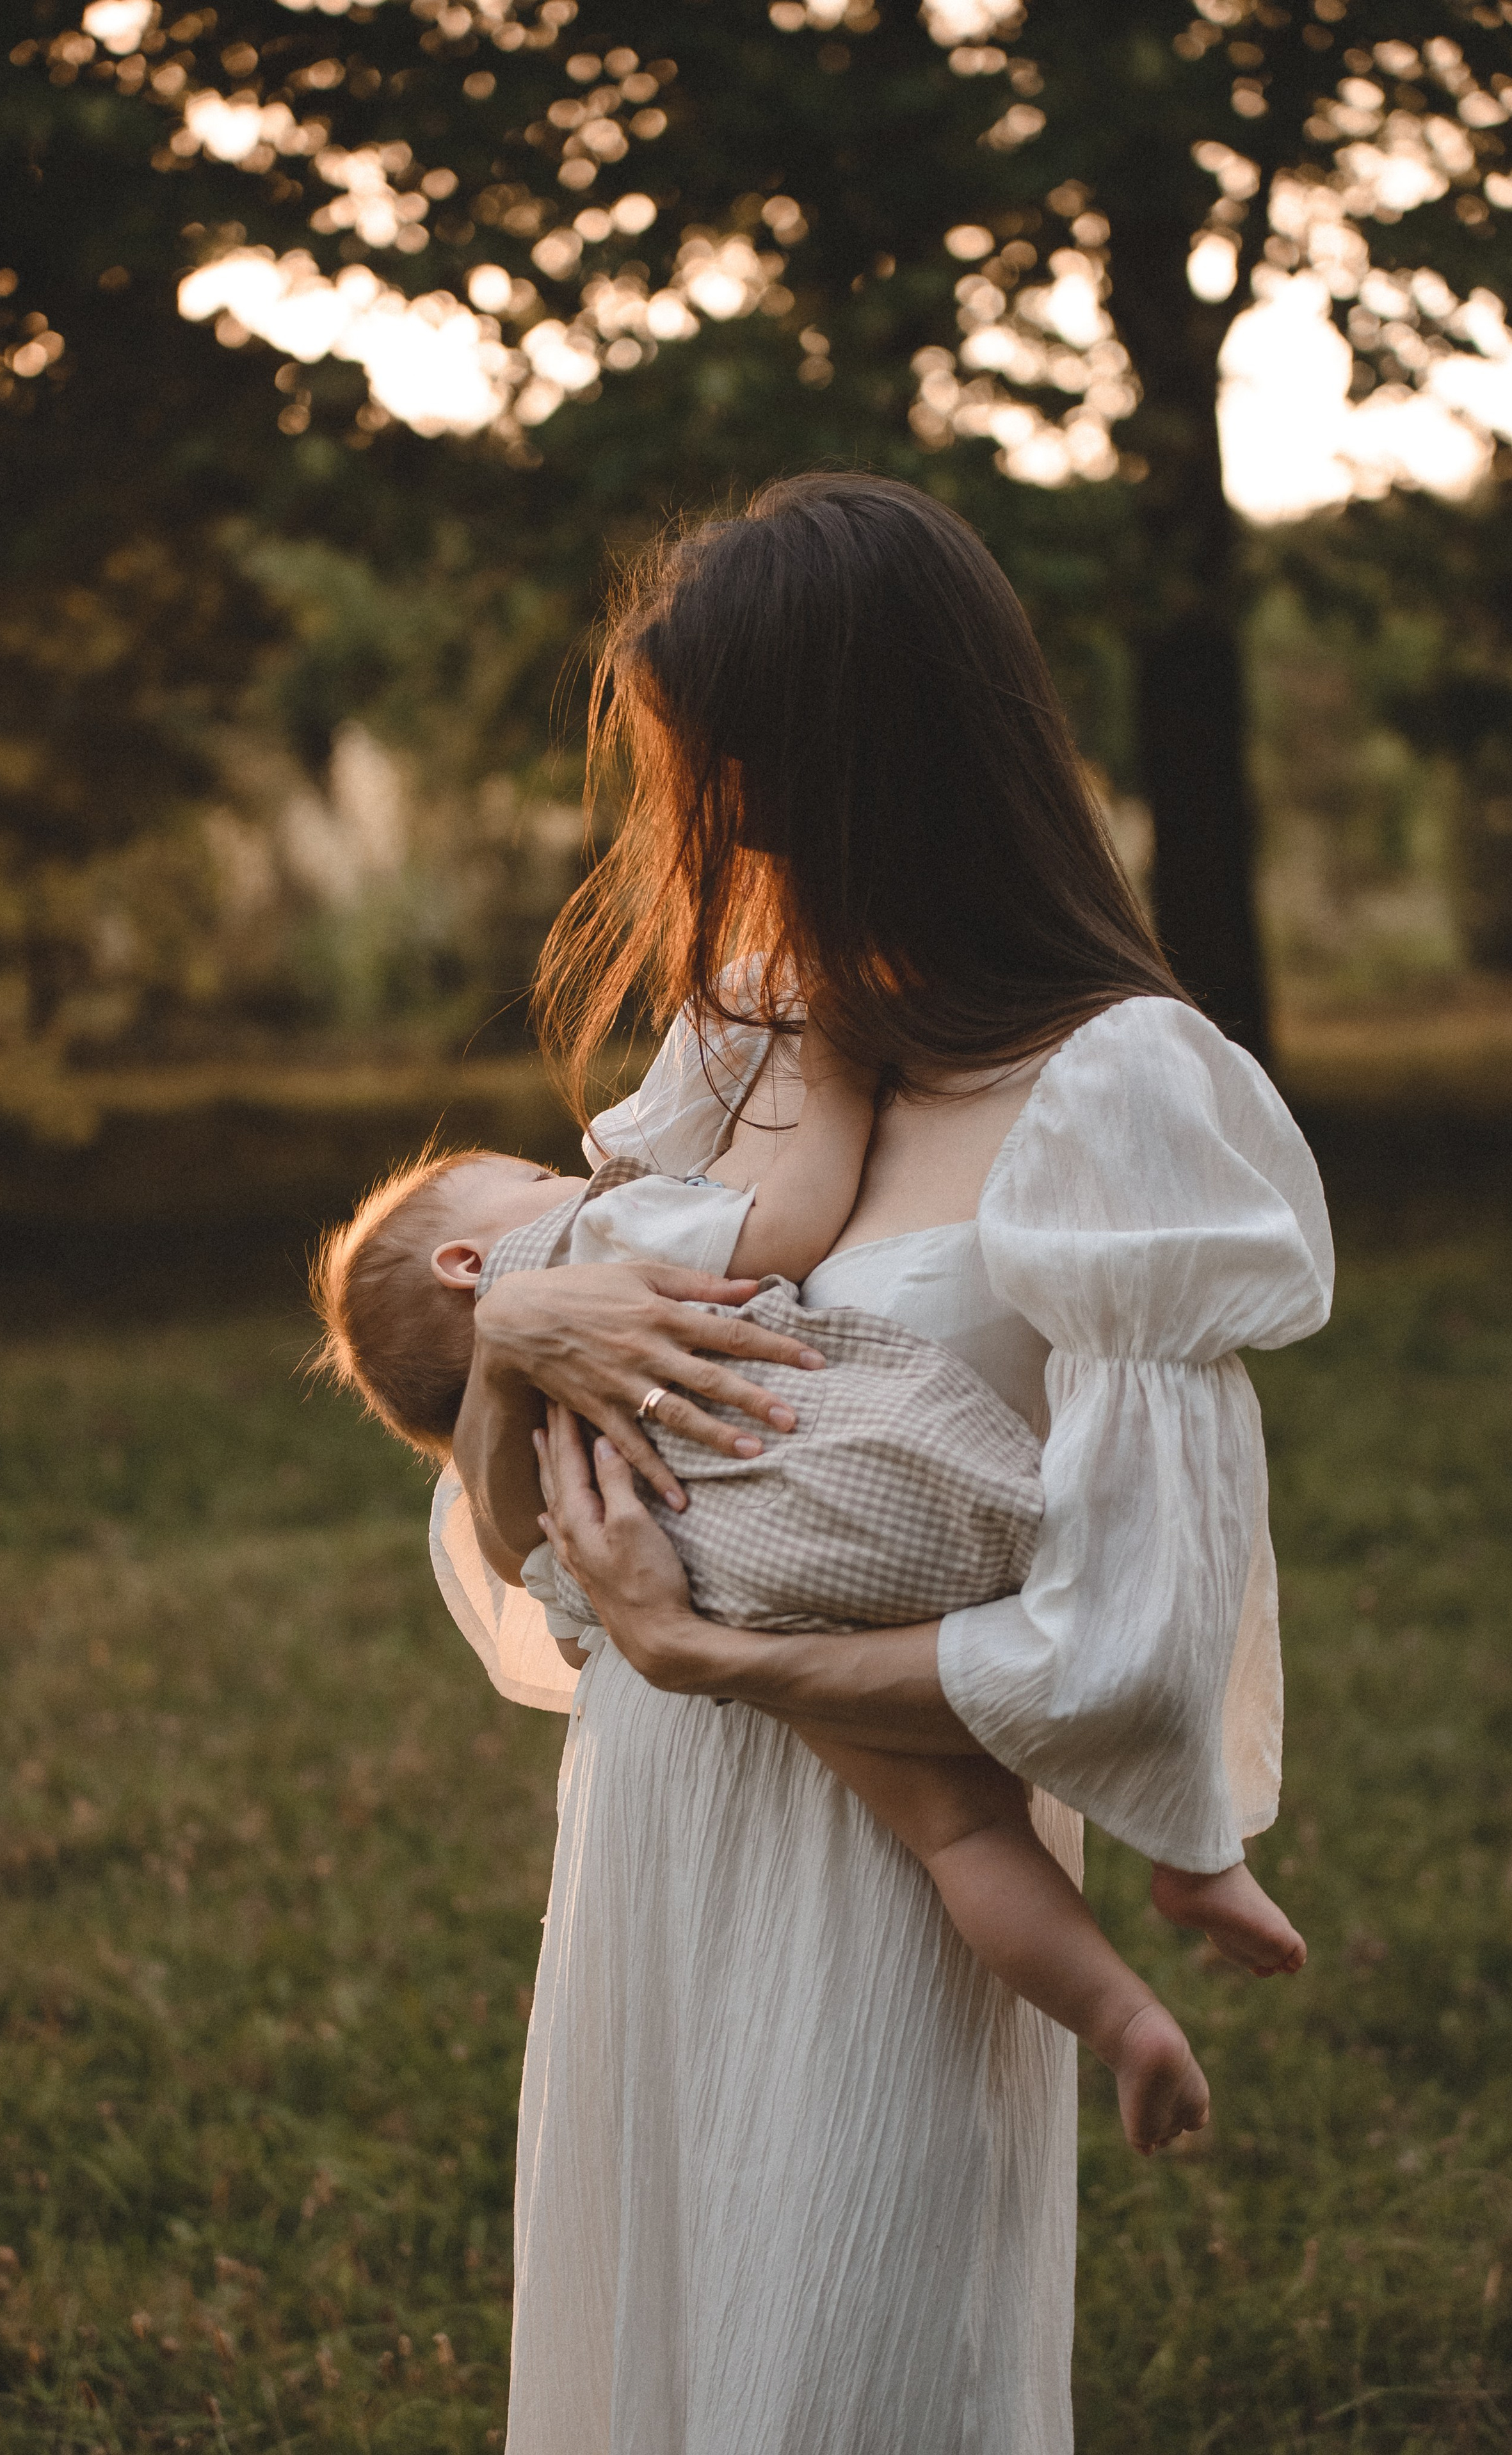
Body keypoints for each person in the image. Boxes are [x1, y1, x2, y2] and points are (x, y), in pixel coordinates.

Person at [427, 472, 1334, 2453]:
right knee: (645, 2350)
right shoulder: (738, 1050)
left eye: (741, 776)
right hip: (654, 1829)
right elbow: (527, 1546)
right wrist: (509, 1332)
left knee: (844, 2367)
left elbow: (1138, 1646)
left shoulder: (1116, 1095)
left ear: (875, 765)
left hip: (889, 1886)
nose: (710, 832)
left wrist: (734, 1657)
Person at [312, 1029, 1305, 2159]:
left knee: (961, 1832)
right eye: (535, 1181)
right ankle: (1199, 1852)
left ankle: (1127, 2024)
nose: (568, 1180)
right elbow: (783, 1227)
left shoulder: (527, 1445)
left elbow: (519, 1557)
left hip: (746, 1596)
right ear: (468, 1267)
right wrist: (839, 1073)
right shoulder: (581, 1248)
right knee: (1121, 1621)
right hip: (888, 1503)